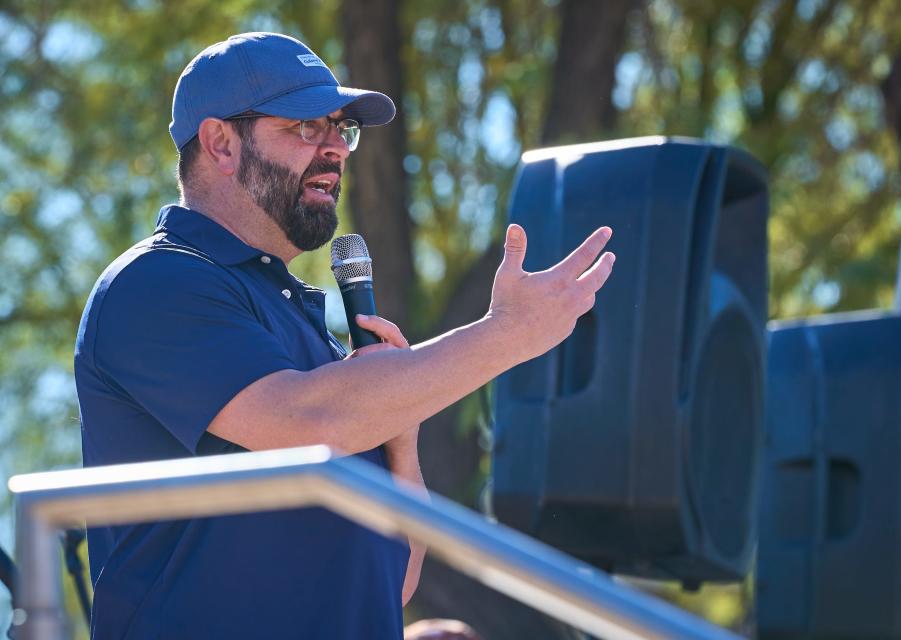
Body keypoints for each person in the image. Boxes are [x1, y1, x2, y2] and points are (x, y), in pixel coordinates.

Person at [74, 32, 615, 639]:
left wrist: (399, 434)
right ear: (220, 142)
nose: (336, 150)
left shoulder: (307, 328)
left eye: (342, 130)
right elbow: (312, 425)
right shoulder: (157, 282)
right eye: (307, 128)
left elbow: (397, 577)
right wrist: (506, 335)